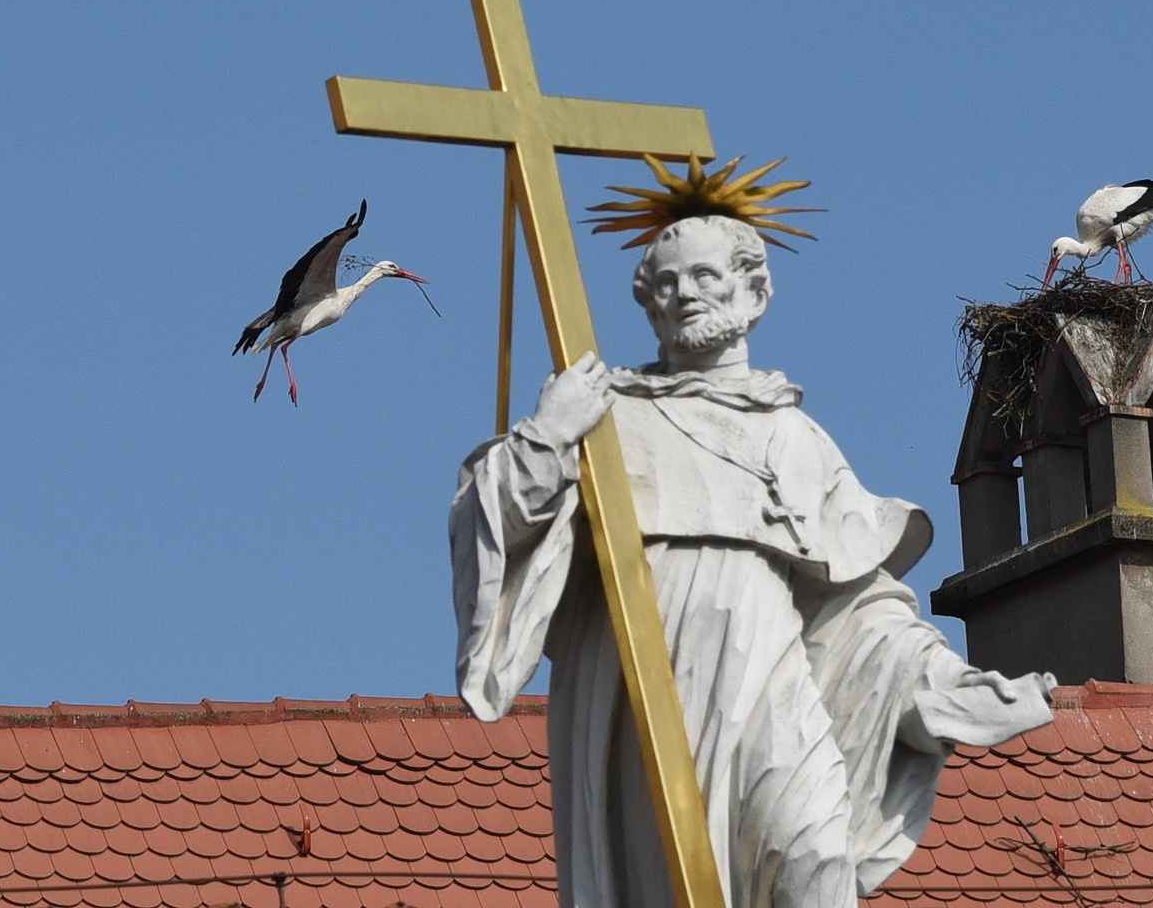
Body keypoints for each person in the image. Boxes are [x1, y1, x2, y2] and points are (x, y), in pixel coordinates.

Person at [450, 215, 1054, 908]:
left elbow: (859, 604)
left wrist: (939, 681)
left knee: (814, 860)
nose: (684, 295)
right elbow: (496, 523)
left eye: (705, 276)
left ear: (753, 292)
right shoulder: (605, 416)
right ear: (647, 301)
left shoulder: (794, 437)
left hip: (769, 685)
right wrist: (546, 438)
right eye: (666, 283)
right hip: (643, 685)